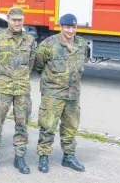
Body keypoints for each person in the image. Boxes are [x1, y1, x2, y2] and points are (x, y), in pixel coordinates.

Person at [0, 6, 37, 175]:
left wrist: (19, 76)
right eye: (14, 20)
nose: (17, 23)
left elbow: (30, 64)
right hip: (1, 88)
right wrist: (3, 77)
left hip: (22, 89)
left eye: (20, 20)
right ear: (8, 19)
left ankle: (19, 157)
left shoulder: (30, 40)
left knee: (22, 124)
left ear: (23, 20)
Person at [35, 14, 88, 173]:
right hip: (53, 93)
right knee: (48, 125)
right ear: (61, 27)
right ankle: (44, 156)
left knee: (71, 126)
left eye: (73, 27)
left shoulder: (81, 44)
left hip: (73, 95)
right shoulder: (48, 45)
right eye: (67, 27)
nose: (70, 31)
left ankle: (69, 156)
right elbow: (39, 65)